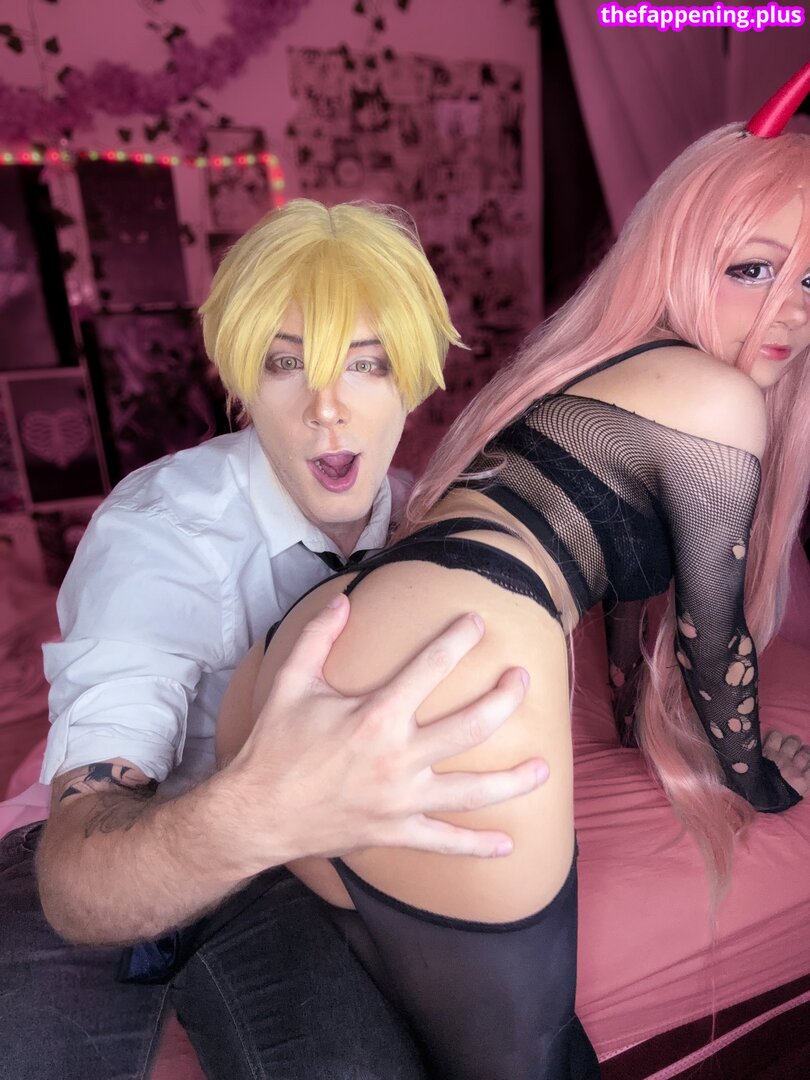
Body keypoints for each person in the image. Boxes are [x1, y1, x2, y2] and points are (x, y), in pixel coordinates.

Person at [216, 66, 810, 1078]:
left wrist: (639, 720)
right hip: (446, 656)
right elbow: (715, 640)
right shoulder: (718, 400)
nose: (788, 312)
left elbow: (633, 592)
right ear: (681, 249)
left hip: (308, 649)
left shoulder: (608, 365)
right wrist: (757, 777)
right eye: (752, 268)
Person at [0, 200, 552, 1080]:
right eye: (285, 364)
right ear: (241, 382)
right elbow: (75, 877)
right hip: (121, 840)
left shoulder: (428, 523)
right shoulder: (161, 532)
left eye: (367, 363)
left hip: (284, 867)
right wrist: (262, 813)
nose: (329, 410)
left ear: (413, 380)